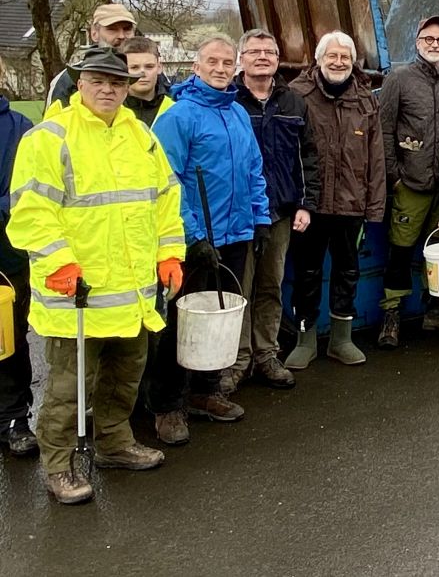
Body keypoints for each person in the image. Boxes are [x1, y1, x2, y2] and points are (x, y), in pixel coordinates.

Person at [10, 47, 184, 503]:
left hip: (132, 293)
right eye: (98, 80)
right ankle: (59, 466)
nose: (108, 89)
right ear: (80, 83)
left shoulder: (141, 137)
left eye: (117, 82)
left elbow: (166, 200)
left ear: (128, 88)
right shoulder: (50, 137)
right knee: (71, 388)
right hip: (78, 295)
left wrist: (170, 254)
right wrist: (60, 264)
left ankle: (114, 445)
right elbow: (30, 212)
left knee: (125, 377)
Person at [150, 35, 271, 445]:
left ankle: (206, 391)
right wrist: (194, 234)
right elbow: (167, 181)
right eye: (212, 62)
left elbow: (254, 169)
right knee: (180, 323)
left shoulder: (236, 112)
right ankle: (168, 404)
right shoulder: (178, 116)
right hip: (194, 242)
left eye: (226, 62)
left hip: (235, 235)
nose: (220, 68)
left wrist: (261, 219)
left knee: (217, 319)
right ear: (196, 67)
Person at [286, 32, 385, 366]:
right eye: (332, 56)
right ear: (318, 58)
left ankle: (342, 339)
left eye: (345, 56)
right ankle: (305, 340)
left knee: (347, 271)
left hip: (351, 204)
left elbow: (376, 157)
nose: (339, 62)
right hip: (309, 206)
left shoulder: (366, 99)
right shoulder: (298, 94)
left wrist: (374, 208)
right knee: (307, 273)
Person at [228, 29, 320, 388]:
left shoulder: (293, 102)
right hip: (239, 216)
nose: (262, 57)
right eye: (254, 51)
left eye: (269, 51)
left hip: (280, 211)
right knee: (239, 291)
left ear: (278, 59)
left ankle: (267, 354)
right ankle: (237, 362)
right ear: (242, 58)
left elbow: (308, 156)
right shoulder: (229, 100)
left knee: (270, 285)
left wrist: (305, 204)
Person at [378, 15, 439, 347]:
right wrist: (395, 177)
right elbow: (384, 130)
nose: (435, 45)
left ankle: (436, 311)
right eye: (428, 39)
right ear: (417, 42)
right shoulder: (399, 79)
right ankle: (392, 315)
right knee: (401, 251)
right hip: (411, 184)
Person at [0, 92, 34, 457]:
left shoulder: (20, 128)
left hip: (6, 255)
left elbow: (24, 187)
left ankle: (14, 419)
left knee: (9, 339)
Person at [45, 3, 137, 110]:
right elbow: (55, 121)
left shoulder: (151, 75)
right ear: (94, 33)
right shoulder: (69, 78)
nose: (121, 36)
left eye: (127, 29)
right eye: (112, 29)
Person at [120, 36, 173, 127]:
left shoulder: (175, 108)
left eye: (149, 67)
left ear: (159, 68)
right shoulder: (112, 110)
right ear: (122, 70)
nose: (142, 74)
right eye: (134, 67)